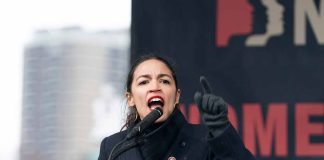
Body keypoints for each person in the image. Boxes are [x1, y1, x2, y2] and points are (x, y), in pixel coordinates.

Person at [98, 55, 255, 160]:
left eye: (164, 81)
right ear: (130, 98)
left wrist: (222, 131)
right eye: (144, 82)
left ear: (177, 96)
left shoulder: (204, 140)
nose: (155, 86)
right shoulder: (113, 147)